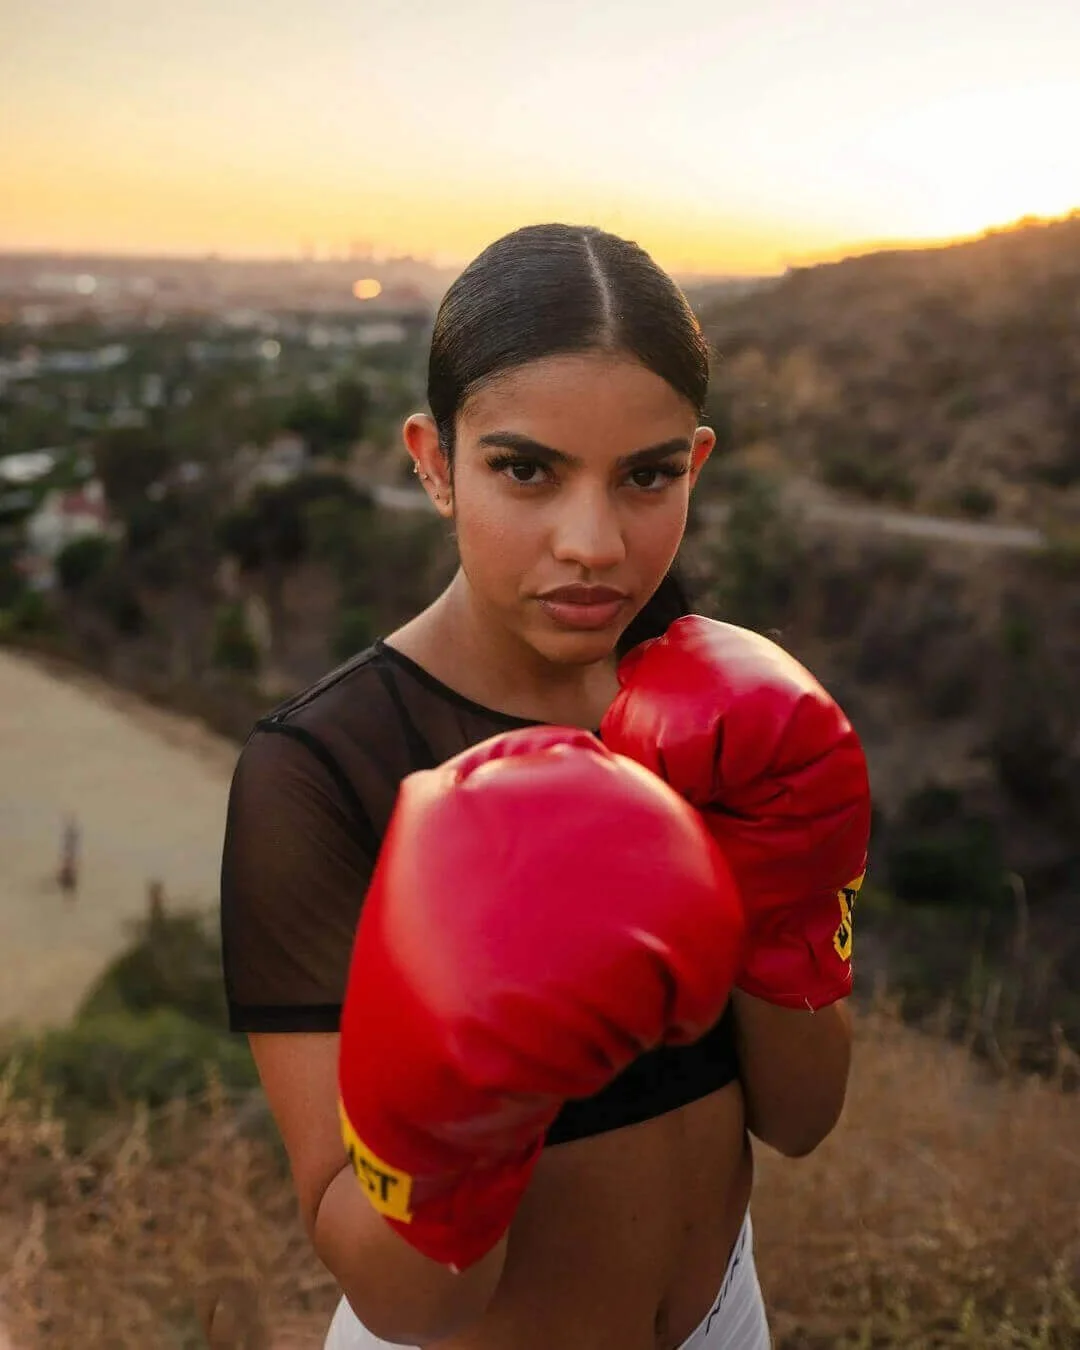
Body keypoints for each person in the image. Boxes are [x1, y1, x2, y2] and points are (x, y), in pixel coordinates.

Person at [220, 223, 866, 1350]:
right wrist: (456, 1124)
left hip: (730, 1318)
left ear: (696, 464)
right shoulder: (323, 771)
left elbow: (802, 1122)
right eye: (526, 469)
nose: (594, 544)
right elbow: (407, 1300)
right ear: (433, 460)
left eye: (646, 476)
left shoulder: (728, 721)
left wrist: (792, 909)